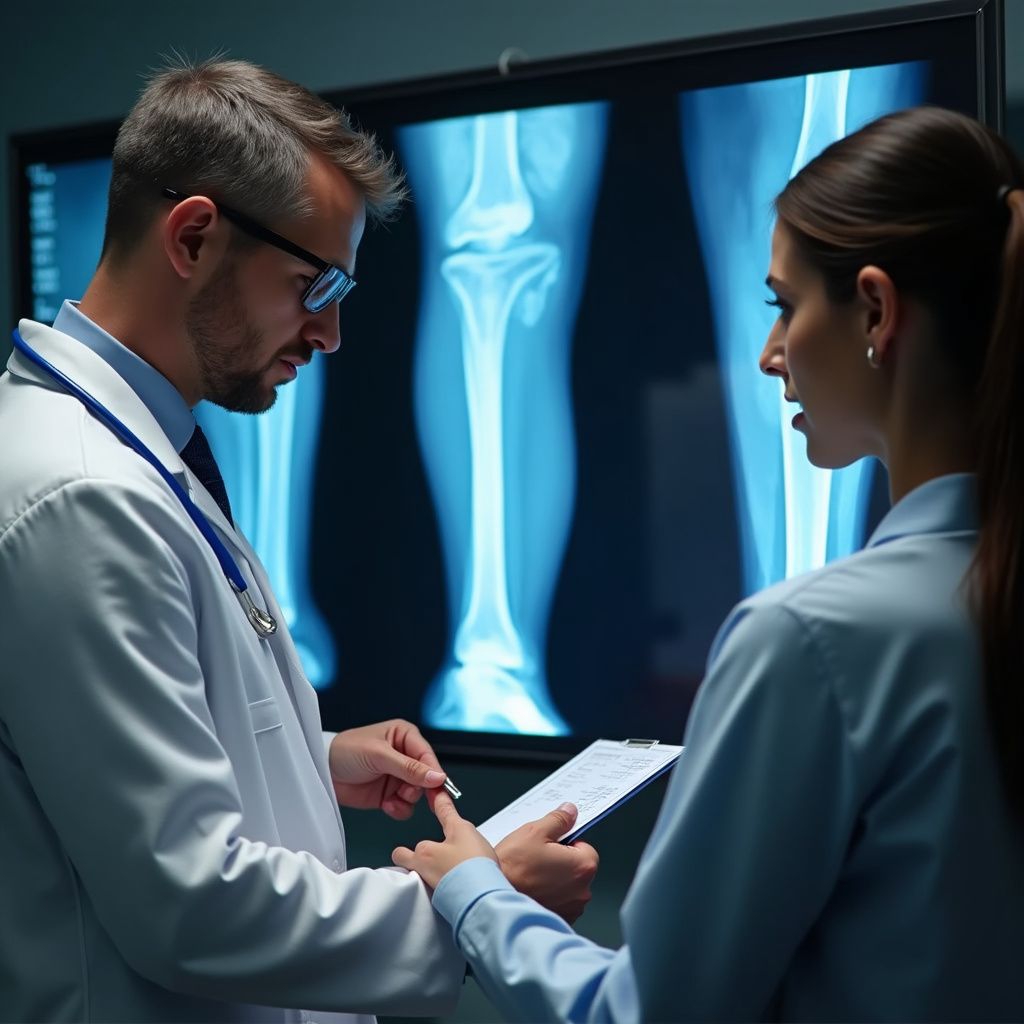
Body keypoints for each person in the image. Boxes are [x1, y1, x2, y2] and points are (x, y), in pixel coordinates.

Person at [392, 105, 1024, 1022]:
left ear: (877, 311)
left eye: (784, 305)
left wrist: (473, 894)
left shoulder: (810, 639)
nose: (769, 354)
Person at [0, 57, 598, 1024]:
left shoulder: (131, 455)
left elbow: (100, 760)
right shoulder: (82, 494)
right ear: (193, 235)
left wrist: (307, 756)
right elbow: (189, 907)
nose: (327, 335)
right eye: (312, 283)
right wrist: (479, 905)